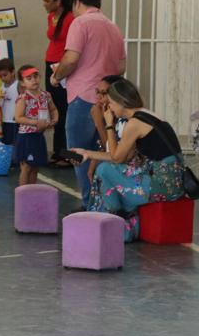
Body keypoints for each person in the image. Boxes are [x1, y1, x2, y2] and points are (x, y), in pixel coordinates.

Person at [72, 78, 185, 241]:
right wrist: (87, 154)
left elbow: (116, 158)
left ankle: (115, 227)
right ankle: (121, 225)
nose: (110, 108)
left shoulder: (134, 124)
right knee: (107, 170)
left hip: (163, 185)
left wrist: (109, 125)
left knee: (104, 170)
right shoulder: (146, 115)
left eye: (111, 103)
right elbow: (122, 156)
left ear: (121, 102)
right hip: (171, 181)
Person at [50, 0, 126, 208]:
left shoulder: (80, 23)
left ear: (77, 3)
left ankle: (88, 203)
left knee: (77, 153)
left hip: (83, 96)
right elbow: (121, 66)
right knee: (104, 151)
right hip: (108, 101)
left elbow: (71, 58)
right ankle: (104, 202)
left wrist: (57, 76)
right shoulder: (113, 26)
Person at [42, 0, 74, 164]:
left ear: (58, 1)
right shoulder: (51, 17)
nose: (44, 4)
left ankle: (66, 153)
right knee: (53, 107)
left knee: (64, 109)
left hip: (62, 66)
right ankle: (57, 151)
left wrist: (62, 68)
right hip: (50, 64)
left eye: (47, 1)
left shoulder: (71, 18)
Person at [13, 66, 57, 186]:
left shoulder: (46, 95)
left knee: (35, 167)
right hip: (26, 137)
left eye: (36, 76)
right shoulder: (23, 98)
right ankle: (23, 194)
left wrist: (54, 119)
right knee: (26, 167)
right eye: (29, 78)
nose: (34, 80)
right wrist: (36, 122)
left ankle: (31, 192)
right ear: (22, 83)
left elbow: (53, 109)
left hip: (39, 135)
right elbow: (18, 118)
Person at [91, 75, 126, 151]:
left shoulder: (124, 118)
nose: (98, 96)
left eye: (103, 93)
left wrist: (99, 122)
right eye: (97, 91)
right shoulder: (107, 113)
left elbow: (111, 152)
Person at [0, 58, 19, 146]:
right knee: (8, 145)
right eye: (0, 76)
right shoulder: (1, 88)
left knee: (18, 145)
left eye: (5, 75)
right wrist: (0, 99)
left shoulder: (19, 85)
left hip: (17, 121)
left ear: (13, 72)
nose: (3, 78)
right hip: (6, 121)